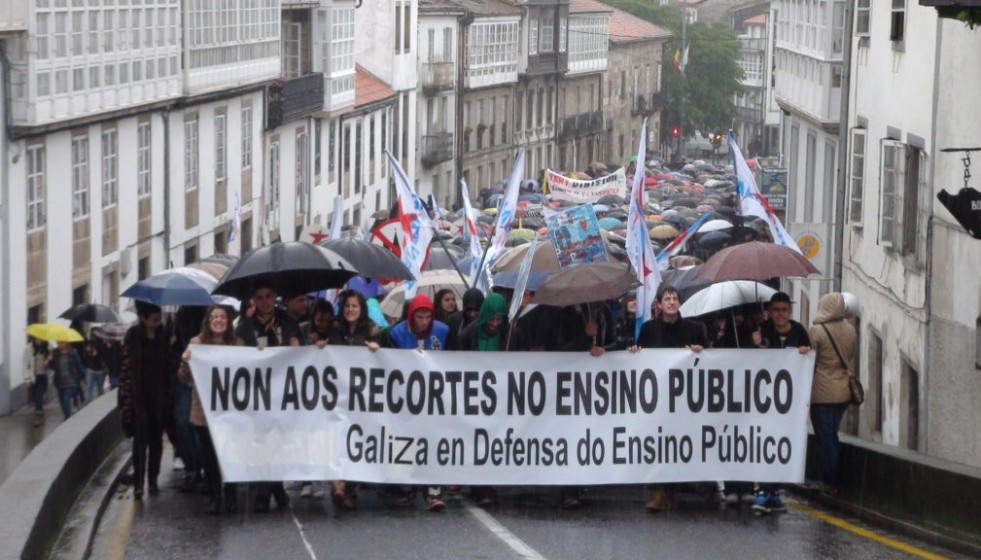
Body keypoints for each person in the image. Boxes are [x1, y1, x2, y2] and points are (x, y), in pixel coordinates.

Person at [630, 285, 706, 512]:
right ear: (659, 304)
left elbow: (709, 357)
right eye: (667, 298)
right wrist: (634, 351)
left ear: (680, 303)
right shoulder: (648, 328)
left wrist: (700, 351)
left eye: (675, 298)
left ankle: (670, 490)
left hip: (683, 400)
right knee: (656, 443)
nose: (671, 302)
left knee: (677, 443)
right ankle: (657, 491)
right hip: (656, 399)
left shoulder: (693, 328)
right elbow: (639, 356)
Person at [743, 292, 811, 513]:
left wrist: (804, 353)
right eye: (776, 310)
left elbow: (807, 365)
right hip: (763, 400)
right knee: (765, 444)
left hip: (788, 404)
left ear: (789, 312)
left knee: (782, 446)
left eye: (784, 310)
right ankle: (763, 489)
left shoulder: (799, 331)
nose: (780, 314)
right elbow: (748, 362)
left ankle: (774, 491)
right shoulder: (762, 331)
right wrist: (754, 345)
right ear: (769, 312)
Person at [235, 282, 299, 512]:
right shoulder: (245, 327)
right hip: (256, 394)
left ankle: (273, 486)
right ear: (253, 299)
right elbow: (235, 356)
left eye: (268, 296)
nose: (264, 301)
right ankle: (267, 490)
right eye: (259, 297)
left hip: (283, 393)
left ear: (275, 297)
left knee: (278, 442)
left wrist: (295, 346)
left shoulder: (288, 322)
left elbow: (300, 352)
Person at [382, 293, 448, 511]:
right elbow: (388, 362)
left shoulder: (443, 331)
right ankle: (407, 489)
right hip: (406, 399)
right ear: (411, 317)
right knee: (406, 442)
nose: (424, 322)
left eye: (427, 317)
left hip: (435, 398)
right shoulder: (396, 334)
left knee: (433, 441)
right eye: (419, 317)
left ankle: (433, 491)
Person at [179, 305, 242, 514]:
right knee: (209, 456)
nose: (218, 321)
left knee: (230, 454)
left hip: (231, 412)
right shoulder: (196, 344)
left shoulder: (237, 344)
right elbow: (184, 378)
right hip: (204, 413)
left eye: (222, 317)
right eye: (214, 317)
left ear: (228, 321)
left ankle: (231, 494)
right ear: (208, 321)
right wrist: (185, 362)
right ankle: (215, 495)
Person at [325, 290, 380, 509]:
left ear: (361, 308)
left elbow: (383, 361)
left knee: (356, 440)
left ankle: (348, 488)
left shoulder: (372, 329)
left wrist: (377, 350)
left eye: (354, 306)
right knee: (337, 437)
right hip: (337, 394)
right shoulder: (334, 328)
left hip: (362, 397)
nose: (350, 310)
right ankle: (338, 484)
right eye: (347, 306)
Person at [119, 301, 176, 499]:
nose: (157, 322)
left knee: (156, 442)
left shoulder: (165, 334)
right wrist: (126, 399)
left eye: (159, 319)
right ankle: (138, 484)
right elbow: (126, 367)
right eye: (153, 319)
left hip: (159, 396)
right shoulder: (133, 335)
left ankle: (152, 480)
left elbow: (170, 365)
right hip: (138, 396)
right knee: (139, 442)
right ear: (142, 318)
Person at [808, 292, 856, 496]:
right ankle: (832, 480)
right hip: (843, 391)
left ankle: (830, 482)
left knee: (826, 439)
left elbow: (809, 360)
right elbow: (851, 355)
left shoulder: (817, 331)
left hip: (823, 392)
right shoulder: (851, 330)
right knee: (832, 434)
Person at [48, 341, 84, 420]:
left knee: (66, 398)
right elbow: (52, 367)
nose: (60, 344)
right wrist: (50, 360)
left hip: (70, 380)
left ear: (66, 343)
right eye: (58, 343)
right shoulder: (55, 353)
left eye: (61, 343)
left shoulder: (73, 352)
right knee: (61, 400)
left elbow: (78, 365)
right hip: (59, 381)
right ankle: (66, 414)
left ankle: (68, 417)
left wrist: (82, 377)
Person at [25, 337, 50, 427]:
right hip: (33, 376)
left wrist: (47, 362)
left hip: (43, 375)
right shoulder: (29, 349)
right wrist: (27, 379)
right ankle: (38, 413)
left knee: (40, 394)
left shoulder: (47, 348)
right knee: (37, 395)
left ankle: (39, 411)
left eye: (40, 339)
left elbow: (51, 363)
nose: (38, 341)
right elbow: (26, 364)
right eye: (37, 339)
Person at [81, 337, 108, 405]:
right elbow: (85, 356)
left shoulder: (100, 345)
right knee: (95, 388)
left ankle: (90, 402)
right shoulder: (94, 344)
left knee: (92, 387)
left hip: (95, 369)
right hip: (96, 369)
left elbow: (103, 356)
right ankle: (92, 402)